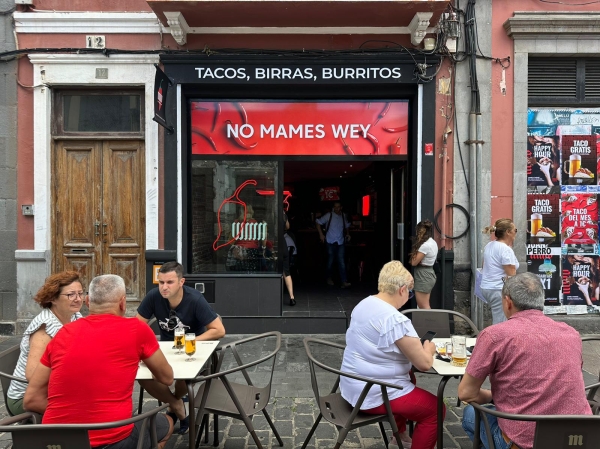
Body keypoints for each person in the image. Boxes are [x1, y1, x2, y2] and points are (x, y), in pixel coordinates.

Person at [24, 274, 175, 449]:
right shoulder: (137, 330)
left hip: (58, 441)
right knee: (166, 423)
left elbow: (31, 399)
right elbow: (167, 378)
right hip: (113, 438)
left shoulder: (62, 334)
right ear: (123, 303)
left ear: (87, 301)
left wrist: (76, 420)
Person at [458, 273, 592, 449]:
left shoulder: (495, 336)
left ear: (508, 302)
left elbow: (466, 393)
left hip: (525, 442)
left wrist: (494, 396)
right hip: (578, 439)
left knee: (470, 414)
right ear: (541, 301)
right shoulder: (571, 333)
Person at [340, 260, 442, 449]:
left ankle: (399, 435)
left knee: (409, 378)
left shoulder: (364, 304)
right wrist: (429, 348)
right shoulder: (394, 320)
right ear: (402, 290)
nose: (409, 297)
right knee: (436, 411)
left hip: (351, 384)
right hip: (372, 392)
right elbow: (424, 364)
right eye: (410, 292)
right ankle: (406, 437)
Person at [136, 261, 225, 433]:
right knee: (142, 375)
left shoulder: (195, 299)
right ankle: (177, 404)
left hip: (192, 351)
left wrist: (191, 341)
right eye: (161, 282)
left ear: (181, 282)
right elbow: (137, 327)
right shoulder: (154, 297)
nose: (164, 287)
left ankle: (174, 405)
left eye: (169, 282)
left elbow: (219, 330)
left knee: (184, 376)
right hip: (166, 350)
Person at [6, 271, 84, 416]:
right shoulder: (45, 329)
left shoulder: (75, 316)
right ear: (53, 298)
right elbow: (32, 375)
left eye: (80, 293)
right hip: (27, 397)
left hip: (56, 389)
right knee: (86, 413)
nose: (78, 299)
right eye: (71, 294)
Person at [480, 218, 519, 324]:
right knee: (501, 321)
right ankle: (498, 340)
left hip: (487, 287)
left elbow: (484, 265)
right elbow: (511, 273)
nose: (516, 233)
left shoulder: (490, 245)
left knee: (498, 317)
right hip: (498, 288)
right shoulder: (505, 249)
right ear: (508, 232)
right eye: (515, 230)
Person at [316, 201, 352, 288]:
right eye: (335, 207)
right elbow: (318, 222)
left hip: (340, 241)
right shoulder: (329, 215)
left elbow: (347, 225)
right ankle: (328, 278)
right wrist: (321, 234)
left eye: (338, 207)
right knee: (330, 261)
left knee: (341, 262)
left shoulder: (343, 216)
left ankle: (344, 281)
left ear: (341, 207)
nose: (336, 208)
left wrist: (347, 233)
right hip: (330, 241)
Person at [409, 220, 438, 309]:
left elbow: (413, 262)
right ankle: (428, 322)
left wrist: (415, 252)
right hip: (428, 273)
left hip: (423, 275)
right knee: (424, 305)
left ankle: (430, 323)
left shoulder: (425, 246)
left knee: (423, 306)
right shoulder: (432, 242)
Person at [282, 209, 296, 306]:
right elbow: (288, 227)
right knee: (286, 272)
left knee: (272, 270)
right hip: (283, 245)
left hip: (275, 244)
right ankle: (292, 297)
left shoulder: (271, 216)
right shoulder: (283, 215)